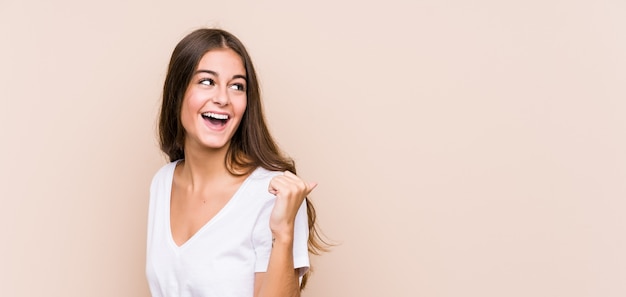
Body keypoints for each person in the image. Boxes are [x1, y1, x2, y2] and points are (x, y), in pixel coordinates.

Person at [146, 28, 327, 297]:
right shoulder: (163, 181)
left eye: (237, 86)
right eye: (207, 81)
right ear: (177, 92)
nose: (223, 98)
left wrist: (283, 232)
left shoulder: (273, 193)